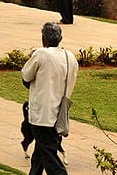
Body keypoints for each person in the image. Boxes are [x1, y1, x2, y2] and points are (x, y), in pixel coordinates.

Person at [21, 22, 78, 175]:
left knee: (48, 155)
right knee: (40, 153)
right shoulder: (70, 57)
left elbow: (26, 76)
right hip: (59, 114)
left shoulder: (41, 54)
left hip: (42, 114)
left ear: (43, 38)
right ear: (61, 38)